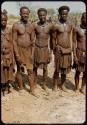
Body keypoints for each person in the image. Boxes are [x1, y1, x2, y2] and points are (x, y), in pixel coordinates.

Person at [12, 6, 37, 96]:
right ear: (20, 14)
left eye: (27, 13)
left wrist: (32, 54)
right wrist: (17, 55)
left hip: (29, 50)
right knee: (19, 70)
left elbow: (33, 41)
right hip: (19, 50)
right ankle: (21, 88)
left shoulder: (31, 25)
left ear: (29, 14)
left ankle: (32, 90)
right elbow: (14, 41)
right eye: (23, 13)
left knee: (30, 70)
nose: (25, 15)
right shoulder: (16, 25)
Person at [52, 6, 74, 92]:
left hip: (67, 50)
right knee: (57, 69)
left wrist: (70, 48)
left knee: (65, 69)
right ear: (59, 14)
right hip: (59, 50)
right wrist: (54, 49)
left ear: (67, 14)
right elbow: (53, 39)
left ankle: (62, 85)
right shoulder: (56, 25)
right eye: (62, 14)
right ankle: (54, 85)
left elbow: (71, 37)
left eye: (65, 14)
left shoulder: (70, 24)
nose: (64, 15)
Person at [33, 8, 53, 91]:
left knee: (45, 68)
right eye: (40, 15)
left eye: (43, 15)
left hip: (45, 49)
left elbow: (52, 40)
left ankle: (44, 84)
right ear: (38, 16)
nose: (42, 17)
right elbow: (32, 38)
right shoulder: (35, 25)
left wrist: (50, 53)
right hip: (37, 49)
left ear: (46, 15)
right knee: (35, 67)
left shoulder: (50, 26)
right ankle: (34, 82)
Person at [1, 10, 15, 95]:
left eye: (5, 20)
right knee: (2, 72)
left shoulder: (9, 30)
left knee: (8, 71)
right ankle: (2, 86)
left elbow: (12, 44)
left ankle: (6, 87)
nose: (3, 22)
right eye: (2, 20)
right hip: (1, 56)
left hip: (8, 55)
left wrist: (12, 56)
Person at [73, 12, 86, 94]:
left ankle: (82, 88)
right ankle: (77, 87)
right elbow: (74, 43)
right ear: (81, 19)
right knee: (78, 71)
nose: (85, 19)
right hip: (79, 52)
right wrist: (74, 56)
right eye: (84, 18)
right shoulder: (77, 29)